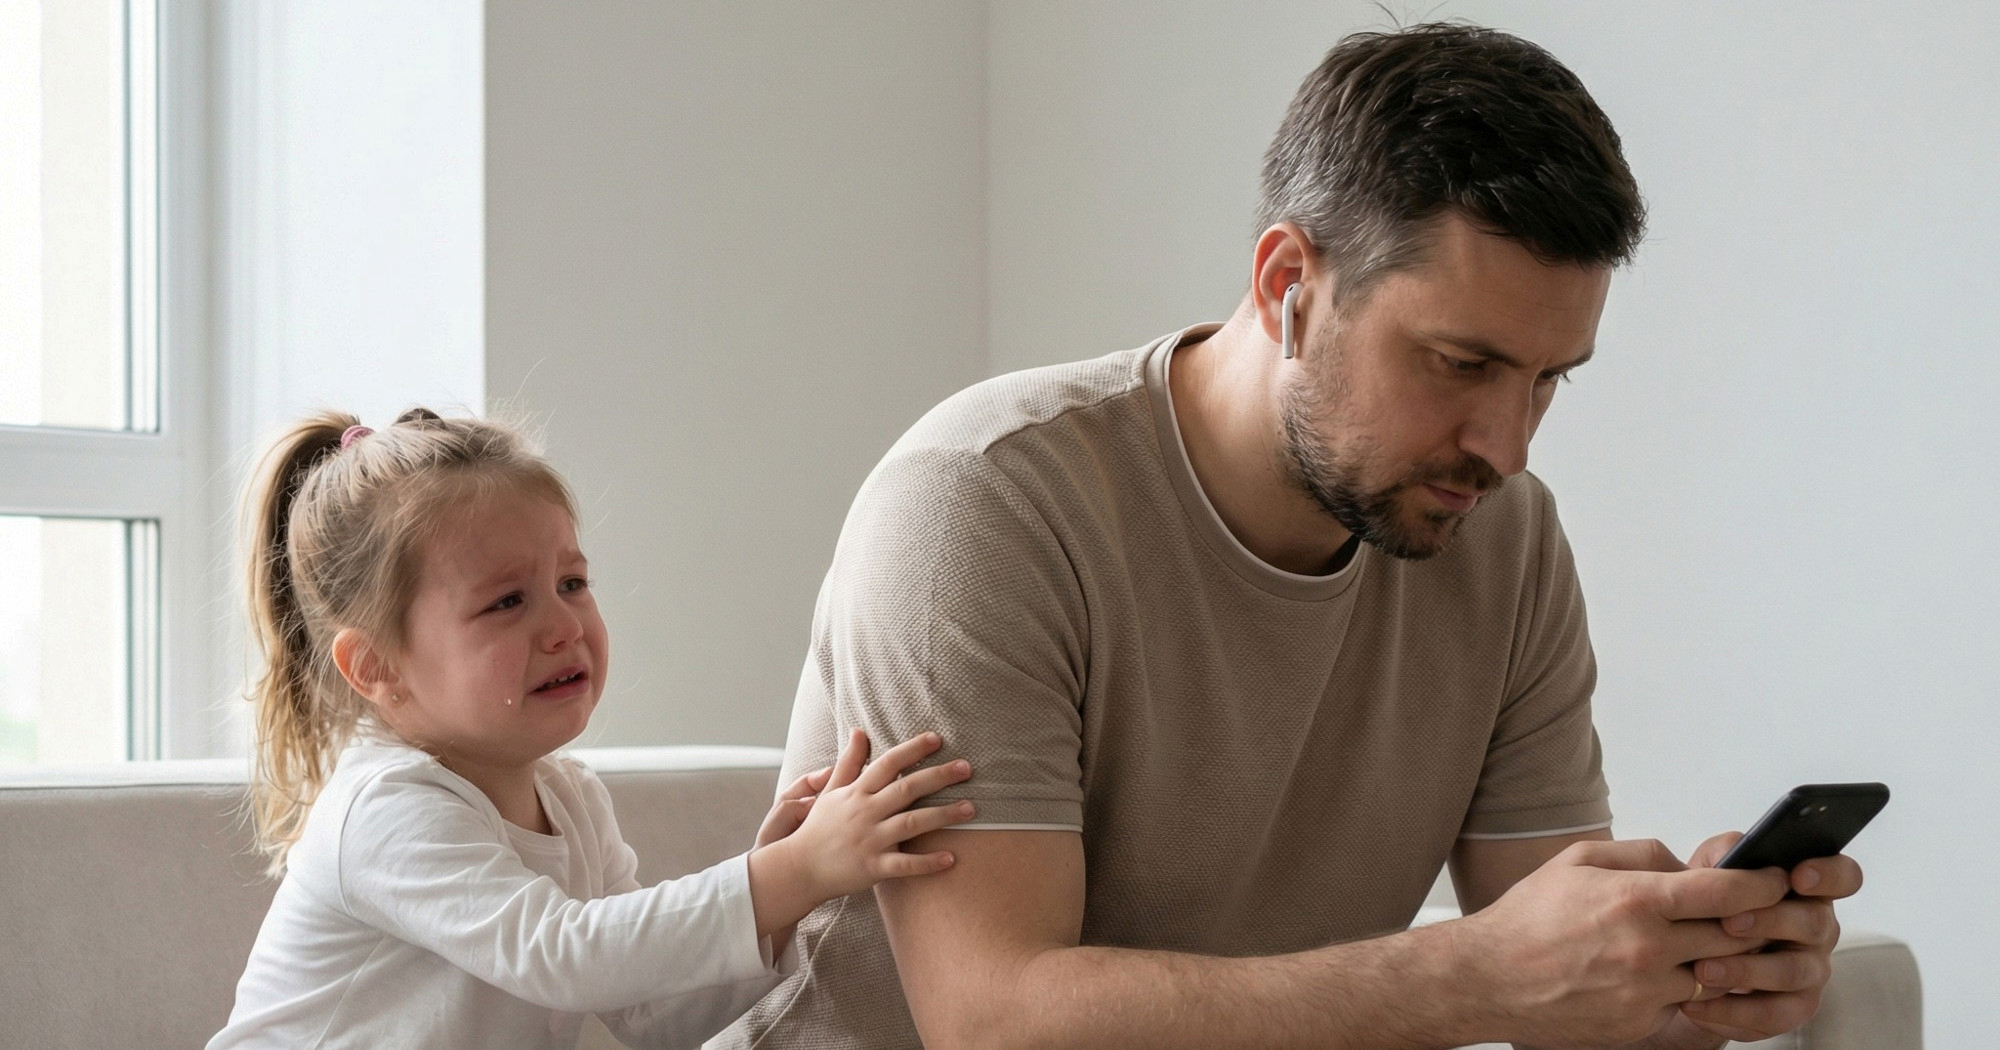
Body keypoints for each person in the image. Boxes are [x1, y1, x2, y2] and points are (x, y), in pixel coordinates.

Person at [721, 22, 1862, 1050]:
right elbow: (992, 1021)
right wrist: (1472, 976)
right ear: (1286, 285)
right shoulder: (983, 505)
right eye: (1460, 364)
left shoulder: (1503, 542)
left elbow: (1553, 988)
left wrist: (1687, 979)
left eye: (1547, 378)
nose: (1507, 446)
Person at [208, 409, 973, 1050]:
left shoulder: (570, 799)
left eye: (571, 583)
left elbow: (652, 1011)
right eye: (507, 602)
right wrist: (789, 873)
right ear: (376, 666)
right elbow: (565, 954)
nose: (564, 626)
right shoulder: (382, 807)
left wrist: (781, 901)